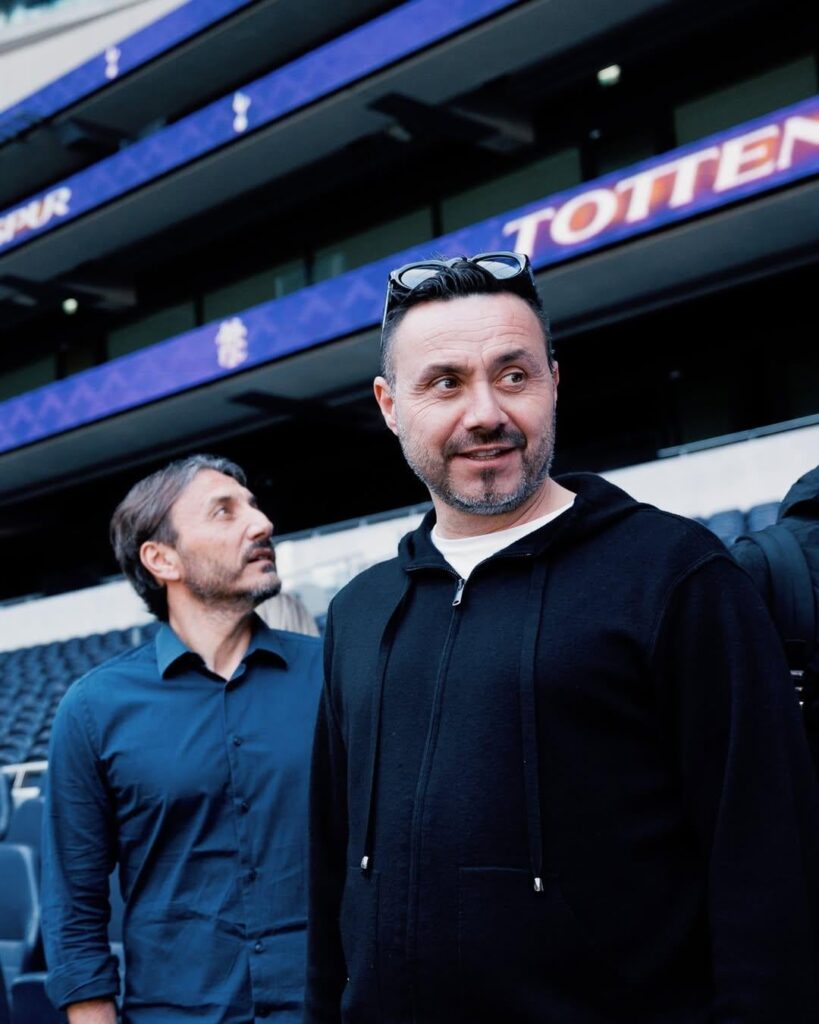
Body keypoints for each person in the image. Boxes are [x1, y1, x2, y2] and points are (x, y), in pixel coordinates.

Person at [305, 253, 819, 1023]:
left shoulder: (675, 575)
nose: (485, 412)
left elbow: (766, 865)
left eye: (513, 375)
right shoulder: (359, 613)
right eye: (444, 382)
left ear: (553, 379)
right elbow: (332, 874)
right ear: (388, 404)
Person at [42, 454, 323, 1024]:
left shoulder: (335, 675)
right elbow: (75, 907)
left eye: (253, 504)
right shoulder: (94, 708)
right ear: (161, 558)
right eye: (224, 512)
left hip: (325, 1007)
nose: (261, 522)